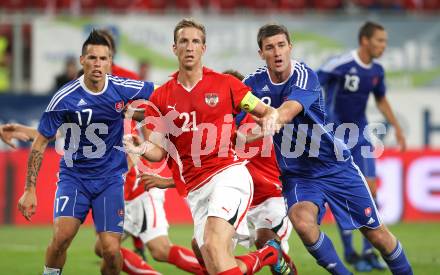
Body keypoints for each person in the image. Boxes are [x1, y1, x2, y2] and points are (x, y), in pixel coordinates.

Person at [124, 18, 293, 275]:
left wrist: (268, 123)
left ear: (204, 48)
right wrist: (140, 147)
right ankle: (268, 254)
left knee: (213, 246)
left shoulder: (227, 85)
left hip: (228, 176)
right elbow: (158, 152)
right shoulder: (161, 97)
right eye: (184, 41)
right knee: (216, 262)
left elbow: (266, 111)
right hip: (196, 192)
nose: (190, 47)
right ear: (174, 48)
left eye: (195, 41)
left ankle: (267, 253)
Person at [243, 23, 413, 275]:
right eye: (269, 48)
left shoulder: (304, 75)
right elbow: (232, 115)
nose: (277, 52)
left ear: (290, 47)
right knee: (302, 222)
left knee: (378, 236)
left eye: (281, 45)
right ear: (261, 54)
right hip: (298, 174)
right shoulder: (253, 84)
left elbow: (287, 112)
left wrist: (261, 127)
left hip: (334, 165)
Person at [16, 30, 156, 275]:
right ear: (82, 60)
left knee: (111, 250)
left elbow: (163, 95)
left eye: (103, 59)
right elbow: (40, 142)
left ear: (110, 62)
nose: (98, 64)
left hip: (110, 179)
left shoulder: (122, 88)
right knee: (61, 238)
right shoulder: (64, 97)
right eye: (92, 58)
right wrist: (29, 189)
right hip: (74, 178)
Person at [317, 21, 406, 272]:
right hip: (336, 136)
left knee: (371, 190)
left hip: (361, 135)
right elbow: (312, 82)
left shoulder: (376, 70)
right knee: (345, 192)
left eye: (385, 42)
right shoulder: (341, 64)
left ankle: (368, 253)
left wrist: (396, 127)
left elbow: (381, 99)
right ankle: (350, 252)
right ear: (365, 40)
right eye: (380, 41)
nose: (383, 46)